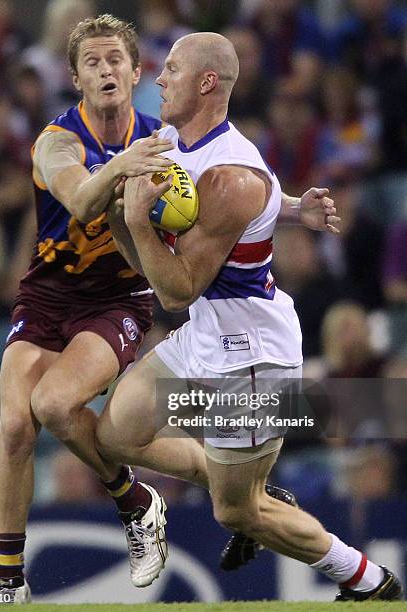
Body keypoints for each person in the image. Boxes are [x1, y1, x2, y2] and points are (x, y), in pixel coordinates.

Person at [95, 32, 402, 602]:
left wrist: (135, 221)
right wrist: (292, 209)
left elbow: (177, 292)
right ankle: (253, 488)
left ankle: (366, 578)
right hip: (208, 334)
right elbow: (249, 204)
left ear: (207, 82)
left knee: (237, 511)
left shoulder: (232, 176)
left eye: (173, 69)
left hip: (250, 357)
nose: (158, 79)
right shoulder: (172, 143)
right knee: (114, 434)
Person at [0, 14, 176, 602]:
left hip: (119, 297)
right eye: (92, 62)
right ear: (75, 77)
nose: (105, 70)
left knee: (52, 403)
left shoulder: (164, 139)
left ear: (136, 70)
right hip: (49, 291)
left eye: (114, 59)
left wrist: (296, 208)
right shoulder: (57, 141)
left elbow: (232, 185)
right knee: (16, 426)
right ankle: (9, 582)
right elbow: (81, 202)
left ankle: (133, 499)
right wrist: (123, 165)